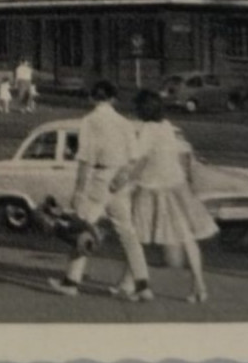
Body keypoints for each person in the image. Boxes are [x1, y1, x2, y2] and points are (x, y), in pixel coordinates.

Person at [48, 80, 152, 301]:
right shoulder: (125, 123)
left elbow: (85, 160)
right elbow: (134, 158)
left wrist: (78, 192)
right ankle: (142, 285)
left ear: (91, 98)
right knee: (128, 233)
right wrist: (121, 178)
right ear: (113, 99)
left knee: (81, 229)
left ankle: (71, 282)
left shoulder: (89, 121)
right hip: (120, 180)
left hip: (99, 179)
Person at [121, 89, 216, 303]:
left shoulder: (147, 129)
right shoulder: (166, 127)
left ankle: (132, 285)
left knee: (137, 236)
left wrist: (125, 181)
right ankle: (199, 287)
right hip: (176, 185)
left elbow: (137, 159)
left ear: (142, 109)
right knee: (186, 237)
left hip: (152, 187)